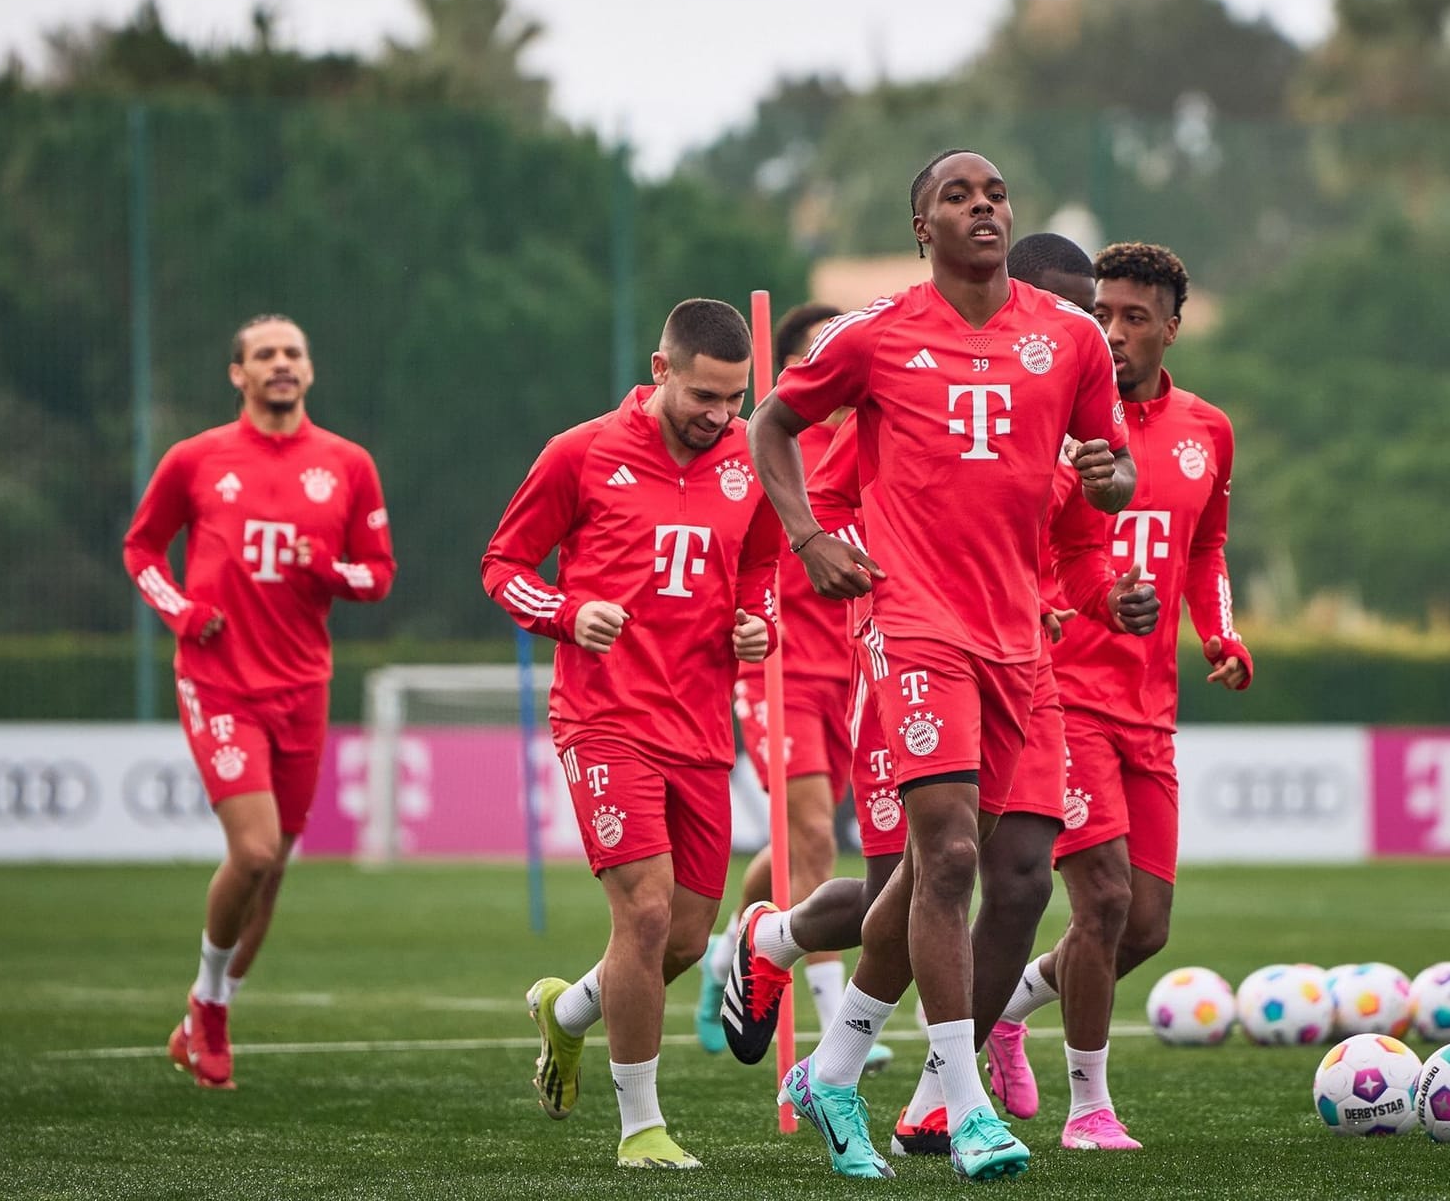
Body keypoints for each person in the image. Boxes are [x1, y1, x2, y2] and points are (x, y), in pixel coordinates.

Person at [716, 235, 1159, 1158]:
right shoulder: (900, 351)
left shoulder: (1067, 382)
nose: (1093, 331)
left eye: (1102, 315)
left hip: (1021, 653)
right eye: (1079, 309)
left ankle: (841, 1061)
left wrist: (1107, 587)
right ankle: (954, 1101)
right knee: (930, 870)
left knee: (1019, 880)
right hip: (908, 639)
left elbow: (1083, 539)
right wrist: (820, 549)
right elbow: (824, 485)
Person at [481, 298, 781, 1170]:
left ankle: (566, 1012)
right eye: (705, 397)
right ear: (661, 371)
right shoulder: (580, 453)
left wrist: (752, 624)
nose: (720, 416)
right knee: (644, 916)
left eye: (734, 399)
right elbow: (501, 567)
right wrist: (569, 615)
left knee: (688, 938)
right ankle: (640, 1127)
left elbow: (757, 571)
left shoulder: (747, 461)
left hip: (701, 727)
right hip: (603, 720)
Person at [984, 241, 1254, 1151]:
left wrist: (1219, 631)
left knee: (1145, 926)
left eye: (1135, 317)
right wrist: (1062, 606)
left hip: (1152, 708)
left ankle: (1010, 1008)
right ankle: (1090, 1110)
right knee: (1098, 902)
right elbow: (1020, 548)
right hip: (1061, 698)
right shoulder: (1056, 427)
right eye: (1101, 313)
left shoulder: (1207, 431)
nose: (1113, 331)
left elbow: (1207, 548)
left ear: (1171, 329)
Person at [124, 313, 395, 1092]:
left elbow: (376, 575)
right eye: (265, 354)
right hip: (217, 680)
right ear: (237, 374)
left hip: (302, 685)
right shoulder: (196, 459)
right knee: (252, 849)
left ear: (309, 371)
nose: (282, 363)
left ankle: (212, 1006)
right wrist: (179, 611)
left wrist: (328, 571)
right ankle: (208, 1008)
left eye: (294, 353)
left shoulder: (347, 464)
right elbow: (142, 549)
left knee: (271, 870)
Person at [694, 301, 888, 1074]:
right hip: (773, 667)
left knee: (793, 841)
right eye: (818, 354)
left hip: (851, 671)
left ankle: (725, 957)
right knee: (811, 834)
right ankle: (833, 1012)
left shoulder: (873, 444)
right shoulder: (766, 451)